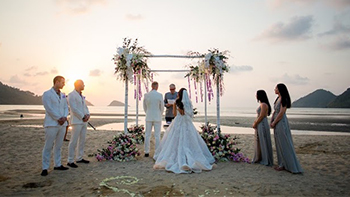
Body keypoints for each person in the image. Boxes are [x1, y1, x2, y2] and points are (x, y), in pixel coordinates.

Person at [153, 88, 216, 174]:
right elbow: (189, 114)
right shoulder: (188, 103)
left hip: (178, 122)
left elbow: (175, 114)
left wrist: (176, 107)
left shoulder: (177, 102)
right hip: (187, 123)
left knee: (174, 140)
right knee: (191, 139)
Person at [270, 83, 303, 174]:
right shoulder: (278, 99)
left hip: (281, 122)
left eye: (276, 88)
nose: (274, 89)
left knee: (284, 142)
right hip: (276, 121)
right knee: (278, 143)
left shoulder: (284, 99)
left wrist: (275, 122)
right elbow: (275, 112)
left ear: (280, 89)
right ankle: (282, 163)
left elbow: (281, 113)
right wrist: (272, 121)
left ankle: (288, 164)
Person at [41, 75, 69, 176]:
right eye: (62, 82)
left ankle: (58, 164)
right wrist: (58, 118)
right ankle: (45, 167)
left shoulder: (63, 95)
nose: (64, 84)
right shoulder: (47, 94)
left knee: (59, 145)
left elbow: (66, 107)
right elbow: (48, 108)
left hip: (62, 124)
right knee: (48, 145)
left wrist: (64, 117)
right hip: (52, 123)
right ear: (56, 82)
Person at [67, 80, 90, 168]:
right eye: (82, 84)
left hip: (84, 121)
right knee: (74, 140)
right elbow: (73, 108)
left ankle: (79, 157)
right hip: (76, 121)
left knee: (82, 140)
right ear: (78, 85)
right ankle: (70, 160)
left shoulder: (82, 96)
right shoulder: (71, 95)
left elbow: (85, 107)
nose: (84, 85)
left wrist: (88, 115)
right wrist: (82, 116)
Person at [143, 81, 164, 157]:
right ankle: (157, 151)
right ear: (157, 87)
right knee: (157, 135)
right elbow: (162, 107)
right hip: (157, 117)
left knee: (147, 135)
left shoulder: (146, 95)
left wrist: (147, 112)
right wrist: (160, 114)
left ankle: (146, 151)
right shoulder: (159, 95)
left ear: (152, 86)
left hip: (148, 116)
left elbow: (144, 106)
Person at [252, 90, 273, 166]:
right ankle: (259, 157)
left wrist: (255, 123)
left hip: (262, 123)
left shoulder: (264, 104)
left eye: (256, 94)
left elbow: (262, 116)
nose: (255, 96)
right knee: (259, 140)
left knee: (262, 139)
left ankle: (264, 158)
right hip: (260, 123)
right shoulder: (262, 104)